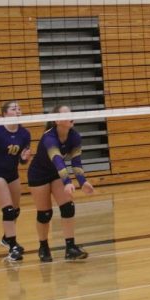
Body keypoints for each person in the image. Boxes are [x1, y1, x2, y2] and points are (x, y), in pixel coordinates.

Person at [27, 105, 95, 262]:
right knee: (45, 214)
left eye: (71, 112)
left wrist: (83, 181)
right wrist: (67, 181)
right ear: (57, 121)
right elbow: (57, 160)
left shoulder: (75, 136)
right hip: (38, 174)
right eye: (66, 114)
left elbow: (76, 162)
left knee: (68, 207)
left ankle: (70, 248)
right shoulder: (48, 138)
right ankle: (43, 247)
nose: (71, 115)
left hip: (56, 174)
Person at [0, 100, 32, 262]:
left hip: (12, 174)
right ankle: (13, 247)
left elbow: (22, 159)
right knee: (8, 211)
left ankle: (6, 238)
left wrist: (24, 159)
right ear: (4, 114)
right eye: (13, 108)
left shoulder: (25, 134)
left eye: (19, 108)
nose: (17, 110)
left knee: (16, 211)